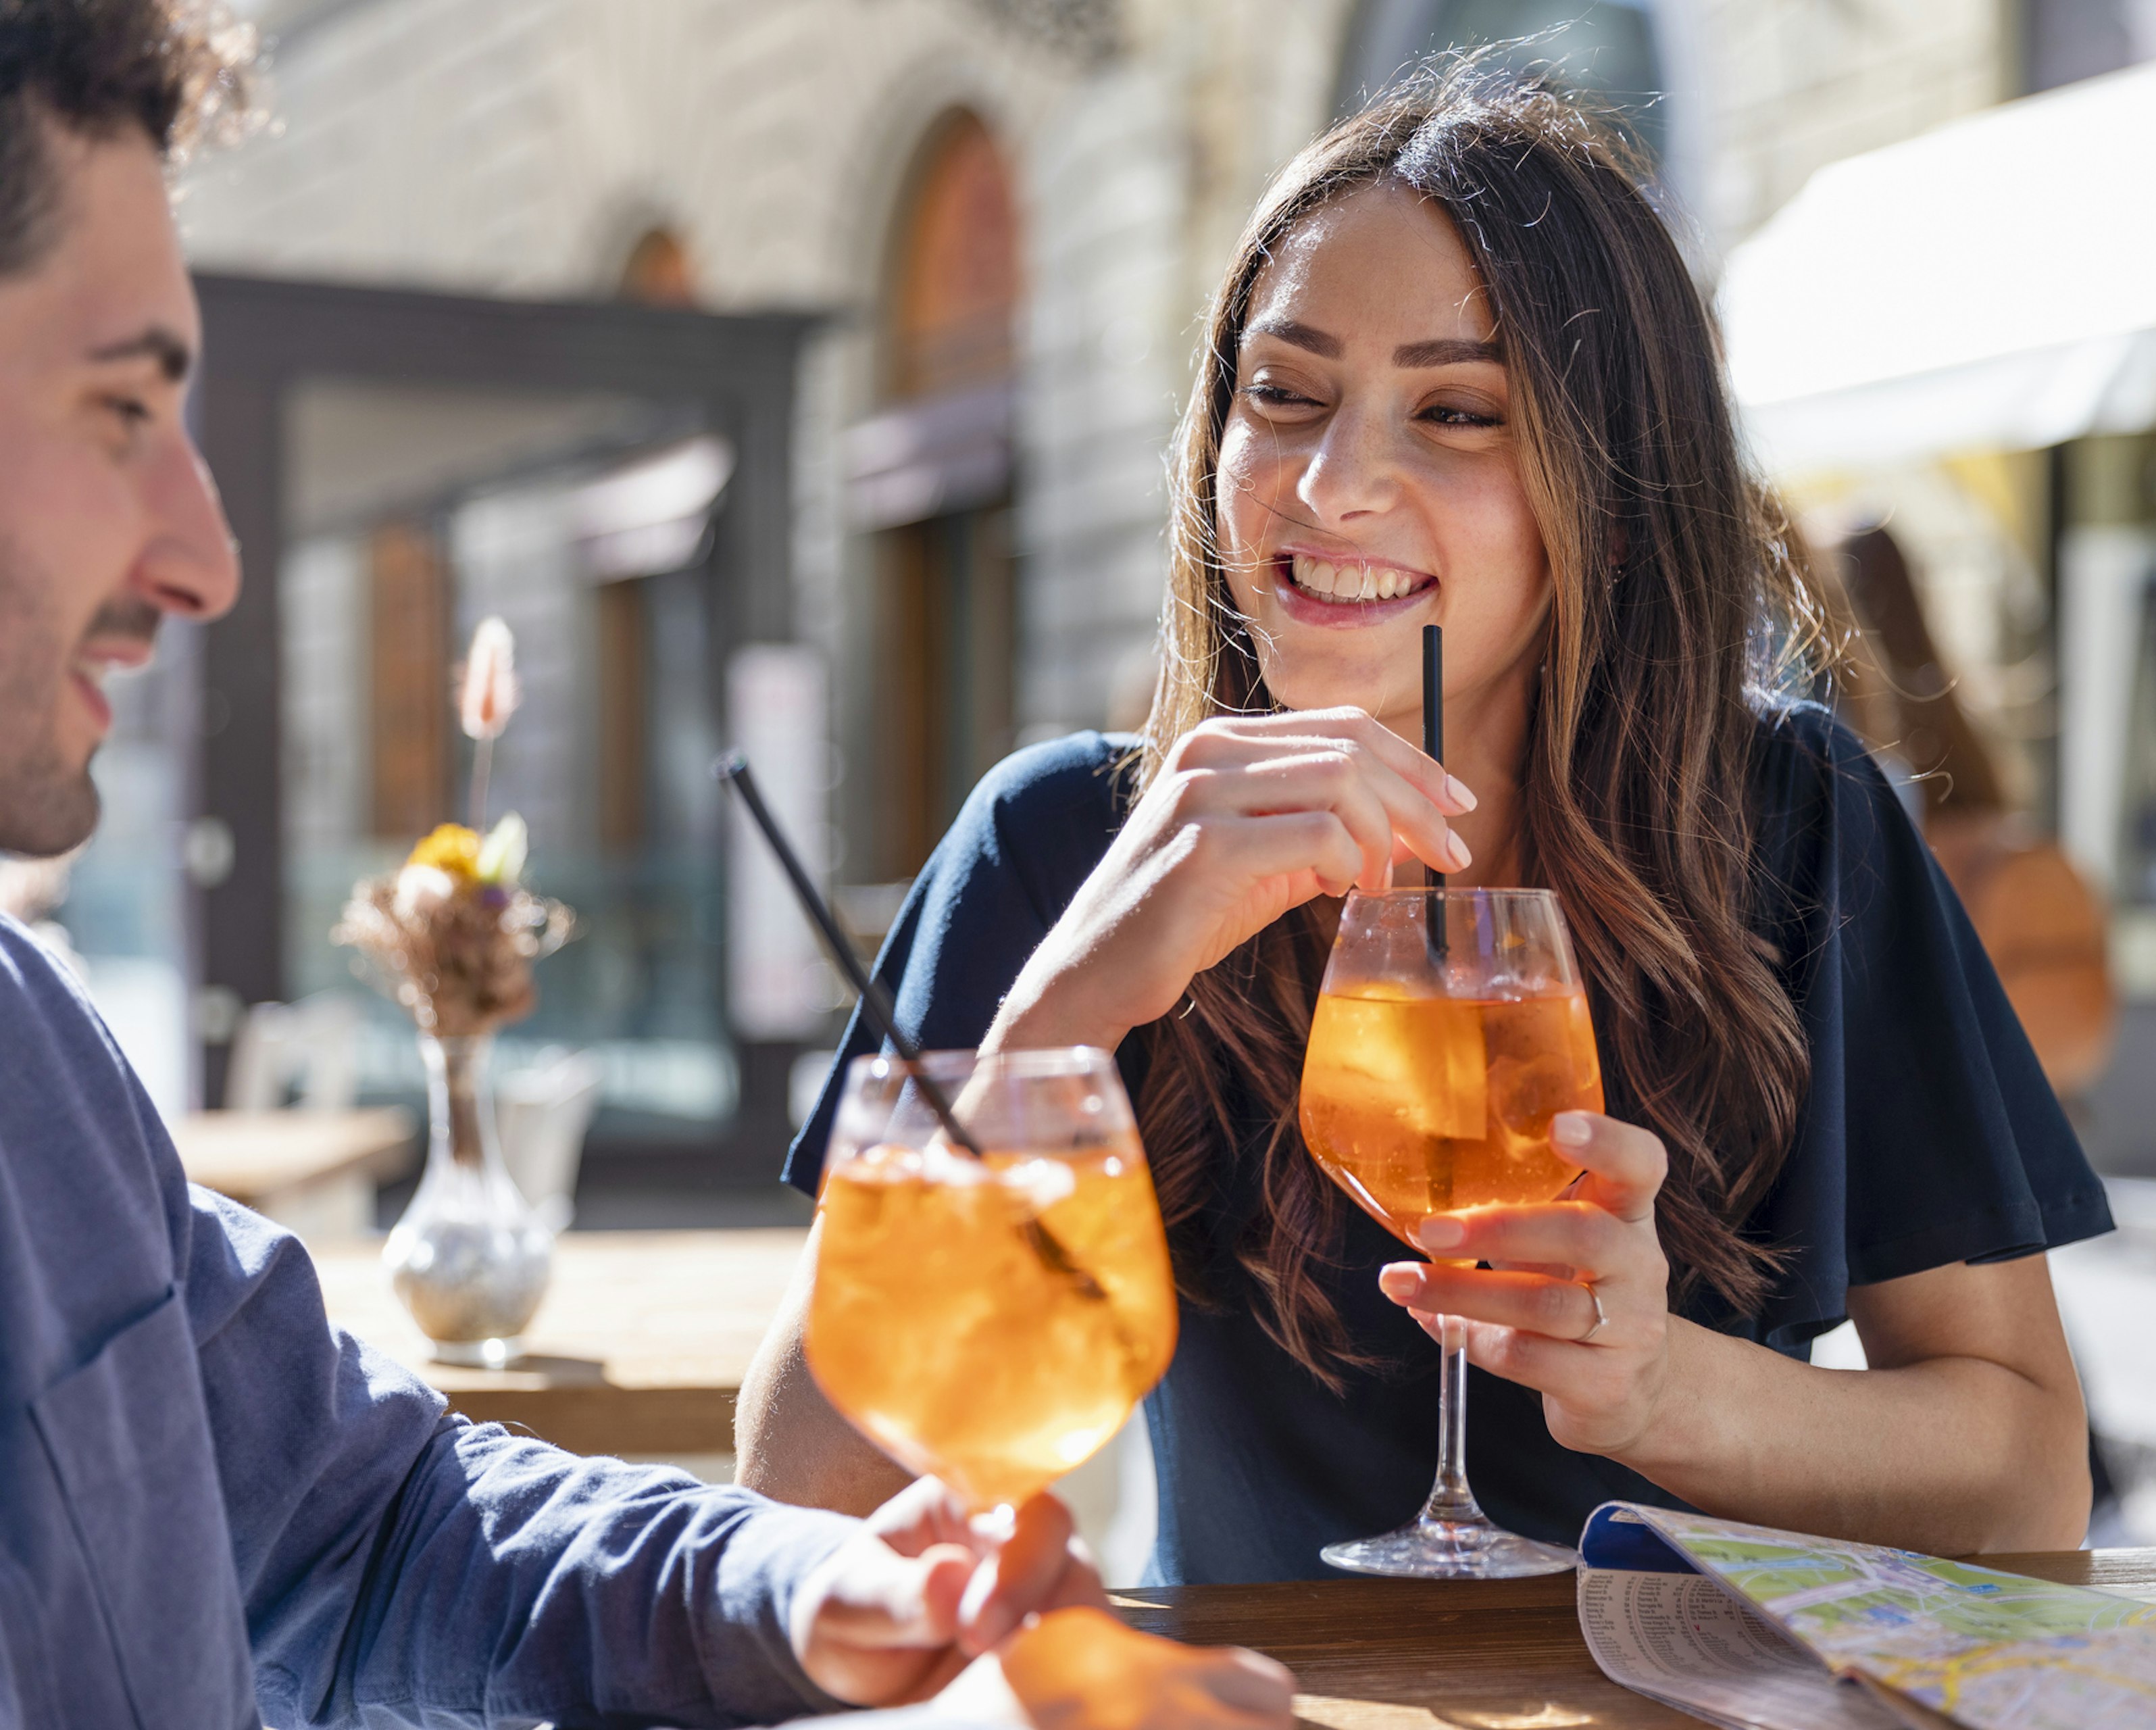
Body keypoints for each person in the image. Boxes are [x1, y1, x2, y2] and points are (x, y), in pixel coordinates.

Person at [0, 4, 1297, 1725]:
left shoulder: (39, 1067)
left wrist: (821, 1587)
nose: (207, 555)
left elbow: (378, 1530)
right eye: (117, 411)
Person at [739, 65, 2114, 1585]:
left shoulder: (1793, 822)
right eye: (1286, 394)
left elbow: (2029, 1474)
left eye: (1458, 412)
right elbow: (801, 1498)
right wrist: (1068, 1014)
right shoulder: (1067, 838)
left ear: (1607, 484)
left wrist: (1666, 1389)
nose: (1332, 487)